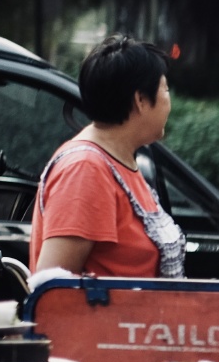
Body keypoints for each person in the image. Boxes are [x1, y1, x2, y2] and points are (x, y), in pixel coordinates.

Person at [29, 34, 185, 279]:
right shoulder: (85, 169)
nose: (169, 101)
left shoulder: (120, 160)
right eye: (165, 89)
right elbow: (53, 291)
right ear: (141, 99)